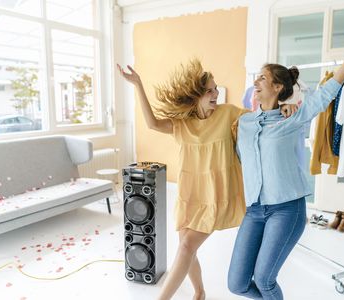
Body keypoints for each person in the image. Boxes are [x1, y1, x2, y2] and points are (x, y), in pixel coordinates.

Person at [117, 59, 294, 300]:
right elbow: (152, 123)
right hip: (190, 195)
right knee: (186, 248)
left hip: (216, 195)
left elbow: (261, 119)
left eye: (215, 88)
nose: (216, 93)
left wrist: (284, 107)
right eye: (209, 90)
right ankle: (199, 292)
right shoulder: (183, 124)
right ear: (196, 96)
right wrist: (138, 84)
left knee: (187, 247)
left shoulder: (229, 114)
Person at [228, 19, 344, 300]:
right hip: (255, 210)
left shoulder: (294, 117)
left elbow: (333, 86)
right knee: (237, 284)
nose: (255, 82)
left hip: (286, 210)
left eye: (262, 78)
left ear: (278, 86)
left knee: (265, 280)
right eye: (256, 77)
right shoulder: (243, 122)